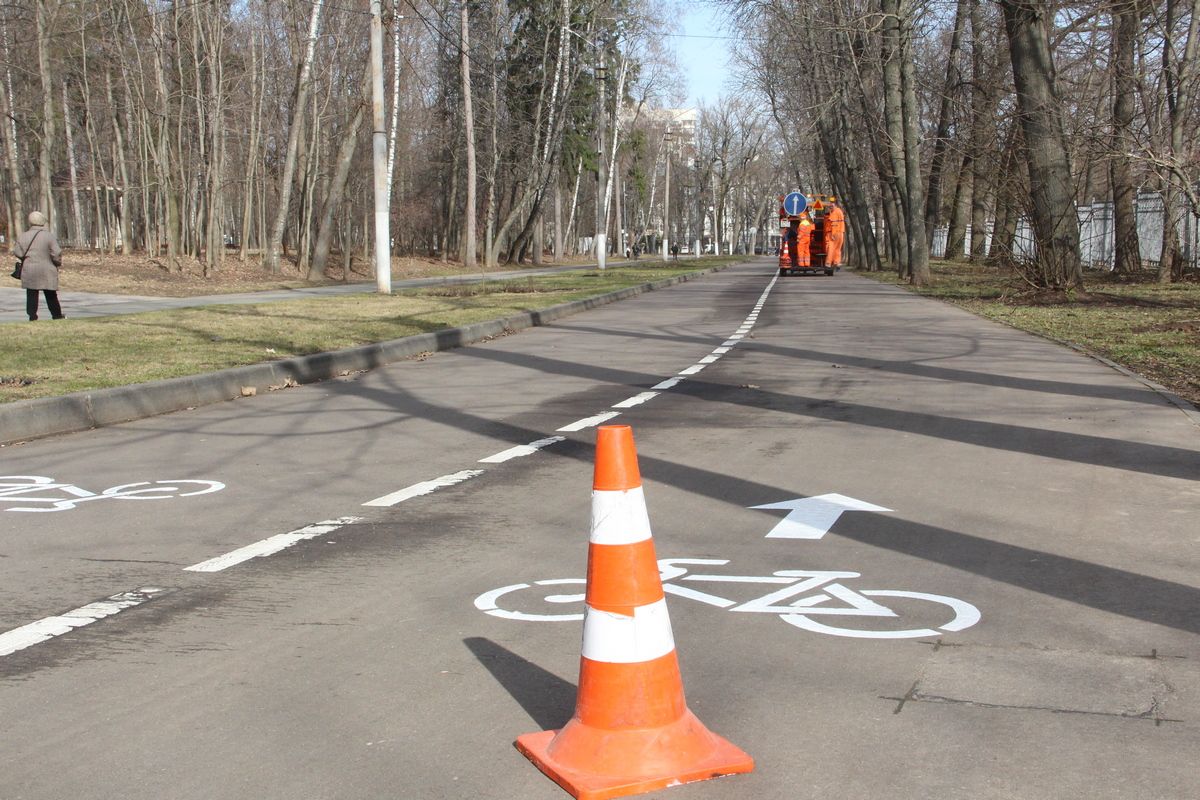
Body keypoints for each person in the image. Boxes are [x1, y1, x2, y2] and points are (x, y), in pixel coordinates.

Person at [14, 211, 64, 321]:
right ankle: (56, 315)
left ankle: (32, 317)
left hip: (29, 270)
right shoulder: (49, 236)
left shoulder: (23, 236)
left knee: (31, 294)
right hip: (47, 269)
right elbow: (56, 253)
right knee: (50, 294)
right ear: (42, 221)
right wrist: (57, 262)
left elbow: (18, 252)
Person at [825, 197, 846, 268]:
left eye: (832, 203)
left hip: (834, 232)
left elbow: (834, 224)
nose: (830, 205)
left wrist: (833, 234)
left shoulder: (835, 212)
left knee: (830, 248)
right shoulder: (839, 211)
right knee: (837, 248)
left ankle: (828, 263)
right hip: (840, 232)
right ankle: (837, 262)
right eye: (830, 203)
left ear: (835, 204)